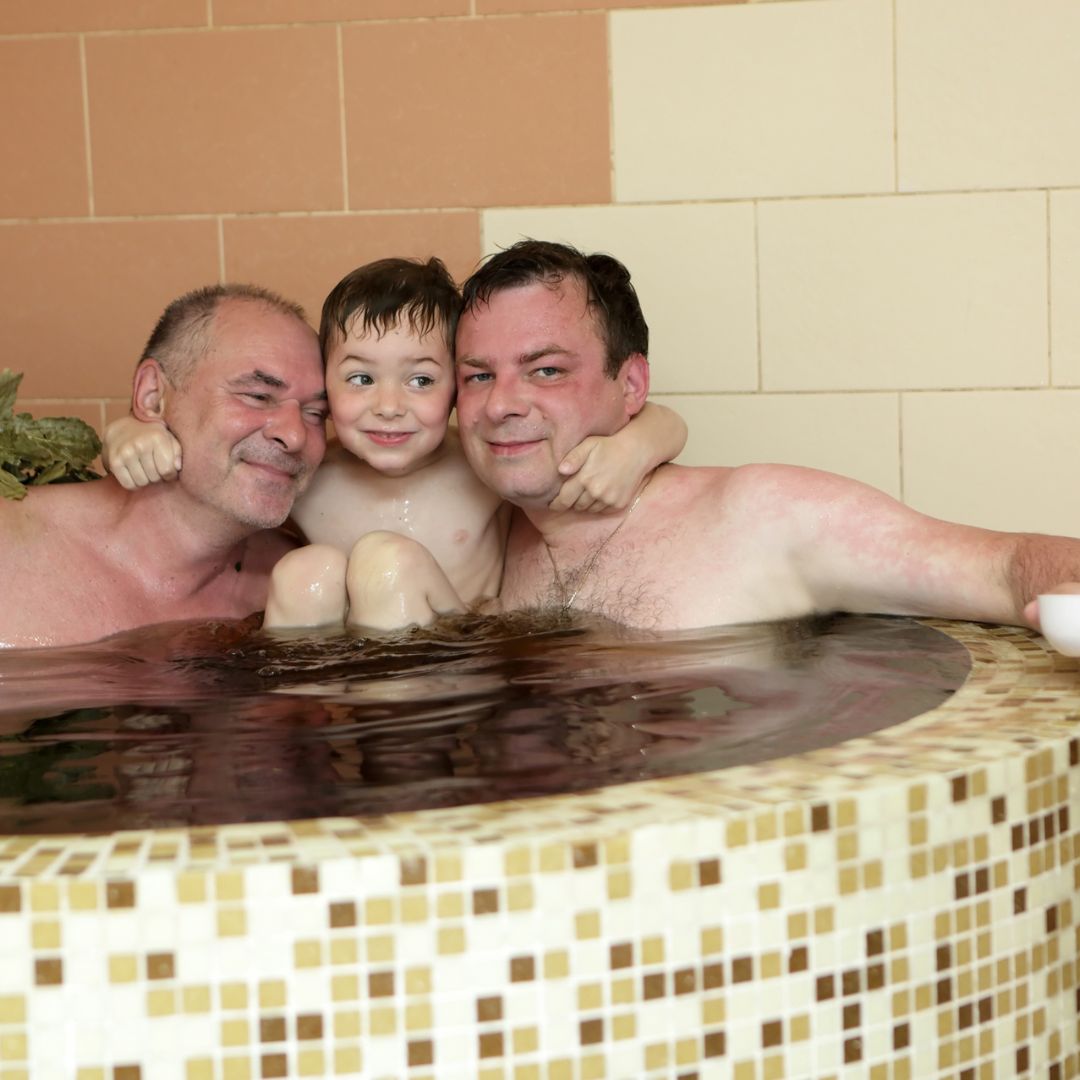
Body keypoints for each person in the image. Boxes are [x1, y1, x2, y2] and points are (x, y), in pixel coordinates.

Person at [451, 239, 1080, 632]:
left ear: (632, 386)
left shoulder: (757, 517)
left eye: (547, 370)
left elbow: (1006, 563)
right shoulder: (474, 534)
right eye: (478, 375)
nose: (501, 403)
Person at [104, 257, 687, 631]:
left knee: (388, 562)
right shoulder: (309, 475)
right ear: (325, 390)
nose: (389, 405)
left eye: (421, 381)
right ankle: (293, 734)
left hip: (465, 663)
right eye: (361, 379)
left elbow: (662, 421)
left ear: (461, 389)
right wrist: (131, 432)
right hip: (344, 679)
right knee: (303, 573)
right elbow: (207, 483)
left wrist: (636, 446)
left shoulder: (480, 465)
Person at [0, 284, 328, 649]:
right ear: (153, 396)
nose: (296, 436)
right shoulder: (9, 549)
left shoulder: (301, 589)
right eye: (257, 396)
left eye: (316, 413)